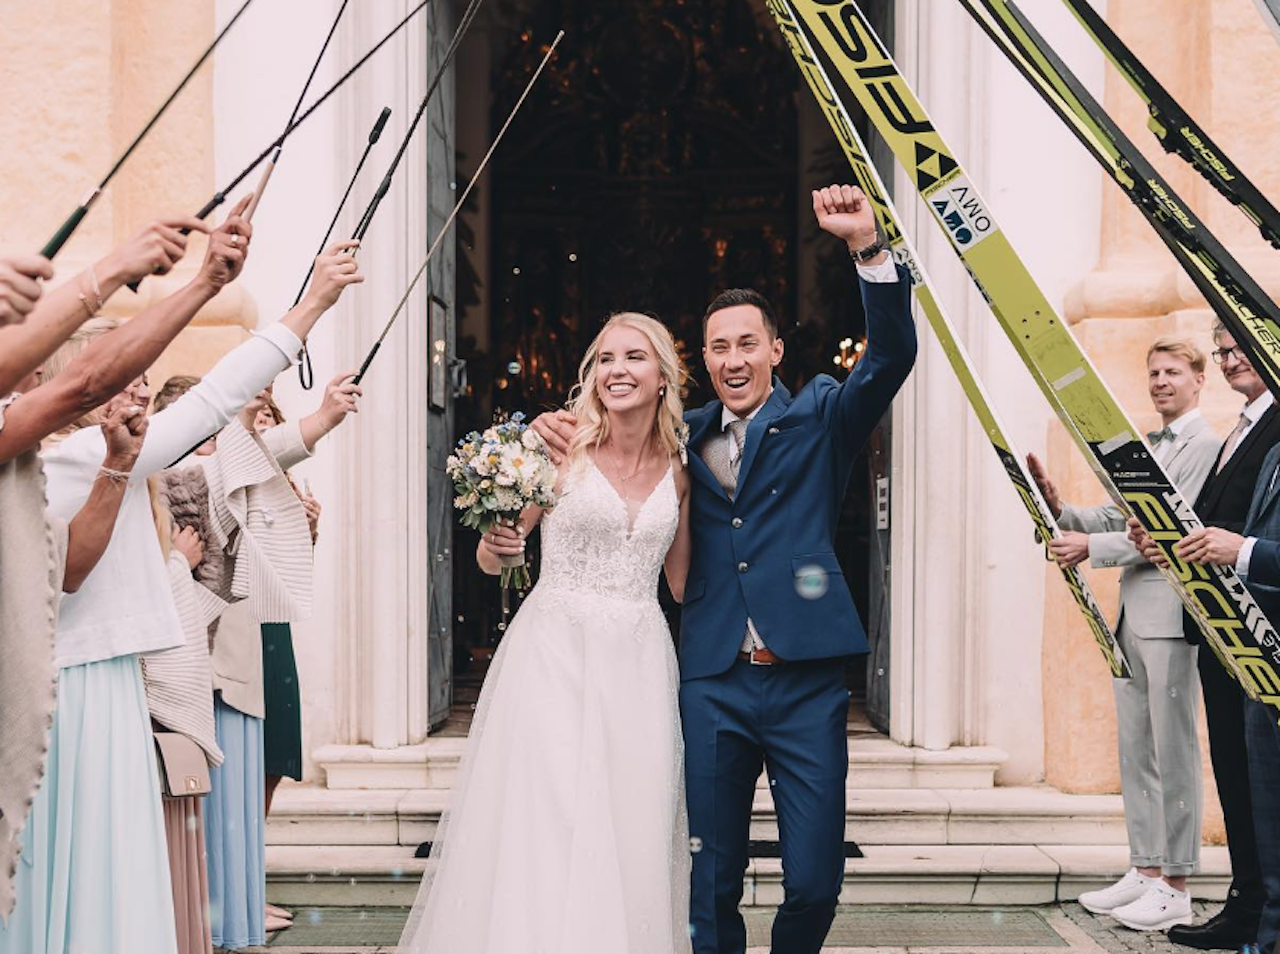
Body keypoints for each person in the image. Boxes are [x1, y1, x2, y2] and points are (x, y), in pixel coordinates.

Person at [533, 184, 917, 954]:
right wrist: (562, 426)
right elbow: (617, 433)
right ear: (701, 360)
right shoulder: (682, 436)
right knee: (708, 876)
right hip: (711, 680)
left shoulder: (824, 415)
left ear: (775, 350)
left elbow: (891, 357)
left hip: (805, 679)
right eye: (718, 347)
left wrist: (868, 249)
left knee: (814, 880)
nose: (733, 359)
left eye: (747, 344)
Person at [0, 228, 362, 953]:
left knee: (80, 865)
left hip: (90, 678)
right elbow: (212, 402)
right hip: (79, 689)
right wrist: (312, 303)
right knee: (98, 864)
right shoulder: (77, 457)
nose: (137, 384)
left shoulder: (76, 458)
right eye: (121, 372)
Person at [399, 312, 694, 953]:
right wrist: (497, 545)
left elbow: (683, 585)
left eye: (634, 357)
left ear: (663, 377)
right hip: (554, 652)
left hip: (640, 662)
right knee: (549, 816)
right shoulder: (560, 451)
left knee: (631, 817)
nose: (617, 370)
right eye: (605, 359)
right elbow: (494, 554)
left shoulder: (680, 470)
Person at [1028, 337, 1220, 932]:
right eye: (1154, 372)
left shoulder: (1205, 445)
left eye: (1173, 372)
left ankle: (1177, 883)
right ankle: (1146, 867)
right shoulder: (1148, 444)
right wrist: (1063, 510)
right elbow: (1120, 518)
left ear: (1198, 380)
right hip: (1132, 614)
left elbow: (1172, 530)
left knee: (1173, 749)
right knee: (1137, 749)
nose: (1161, 381)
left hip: (1173, 618)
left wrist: (1091, 546)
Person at [1159, 325, 1280, 951]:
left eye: (1240, 348)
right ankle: (1247, 901)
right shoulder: (1241, 425)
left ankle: (1258, 910)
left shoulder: (1274, 421)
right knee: (1236, 771)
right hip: (1220, 621)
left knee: (1257, 778)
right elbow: (1216, 519)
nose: (1232, 360)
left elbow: (1247, 531)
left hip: (1261, 621)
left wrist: (1229, 545)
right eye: (1223, 350)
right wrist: (1168, 539)